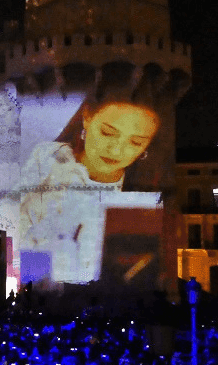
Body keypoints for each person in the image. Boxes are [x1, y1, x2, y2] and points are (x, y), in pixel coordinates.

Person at [18, 87, 161, 285]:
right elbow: (19, 233)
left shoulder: (143, 195)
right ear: (87, 117)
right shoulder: (47, 160)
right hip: (38, 292)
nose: (117, 150)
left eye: (135, 142)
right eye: (107, 132)